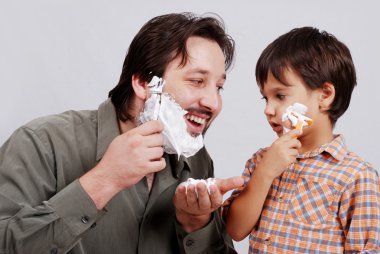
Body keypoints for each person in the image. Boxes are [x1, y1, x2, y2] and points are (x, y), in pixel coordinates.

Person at [0, 12, 244, 254]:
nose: (214, 103)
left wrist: (197, 226)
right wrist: (104, 180)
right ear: (143, 83)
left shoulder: (197, 162)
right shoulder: (42, 143)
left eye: (219, 87)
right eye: (197, 81)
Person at [224, 27, 380, 253]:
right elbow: (234, 230)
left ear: (325, 96)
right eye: (265, 98)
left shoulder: (356, 177)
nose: (268, 109)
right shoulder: (261, 161)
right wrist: (264, 173)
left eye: (280, 96)